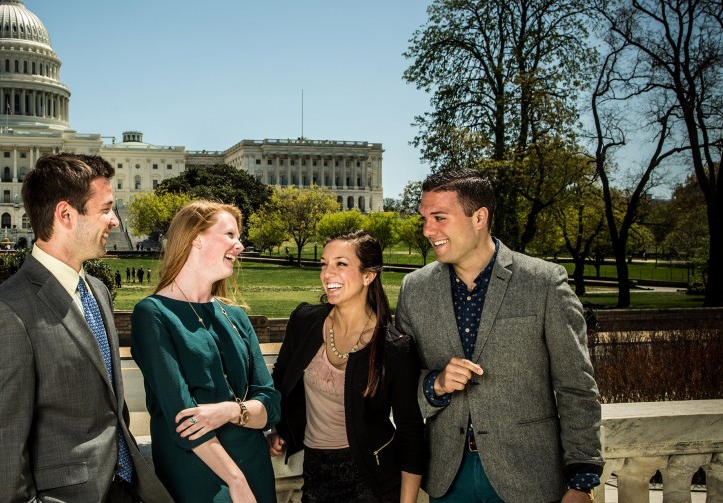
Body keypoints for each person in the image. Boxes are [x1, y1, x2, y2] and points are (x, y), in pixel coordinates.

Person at [0, 153, 172, 503]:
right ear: (65, 214)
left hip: (128, 489)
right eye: (105, 209)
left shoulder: (98, 290)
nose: (115, 222)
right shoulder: (5, 312)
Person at [395, 168, 603, 503]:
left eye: (439, 218)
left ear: (479, 217)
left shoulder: (544, 282)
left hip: (529, 477)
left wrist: (582, 481)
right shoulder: (414, 290)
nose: (427, 230)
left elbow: (576, 386)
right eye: (424, 219)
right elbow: (402, 386)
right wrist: (436, 385)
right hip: (449, 479)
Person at [130, 200, 281, 503]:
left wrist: (228, 410)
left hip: (255, 468)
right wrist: (236, 481)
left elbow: (270, 404)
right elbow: (183, 419)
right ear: (195, 238)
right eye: (230, 234)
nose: (239, 245)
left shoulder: (235, 315)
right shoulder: (153, 314)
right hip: (198, 475)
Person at [268, 230, 426, 502]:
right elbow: (282, 380)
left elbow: (411, 434)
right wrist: (280, 426)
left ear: (369, 275)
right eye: (324, 264)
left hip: (372, 477)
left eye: (341, 264)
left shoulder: (394, 347)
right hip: (314, 470)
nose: (328, 274)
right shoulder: (305, 321)